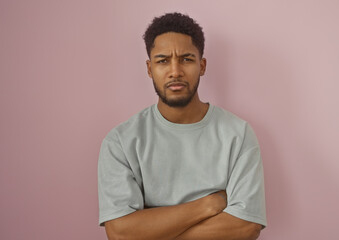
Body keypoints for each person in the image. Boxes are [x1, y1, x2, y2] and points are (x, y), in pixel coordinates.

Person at [98, 12, 267, 240]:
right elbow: (120, 233)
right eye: (163, 60)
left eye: (186, 59)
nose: (175, 71)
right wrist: (207, 205)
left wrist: (152, 230)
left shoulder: (238, 134)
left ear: (202, 65)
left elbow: (246, 228)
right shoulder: (120, 142)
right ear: (149, 69)